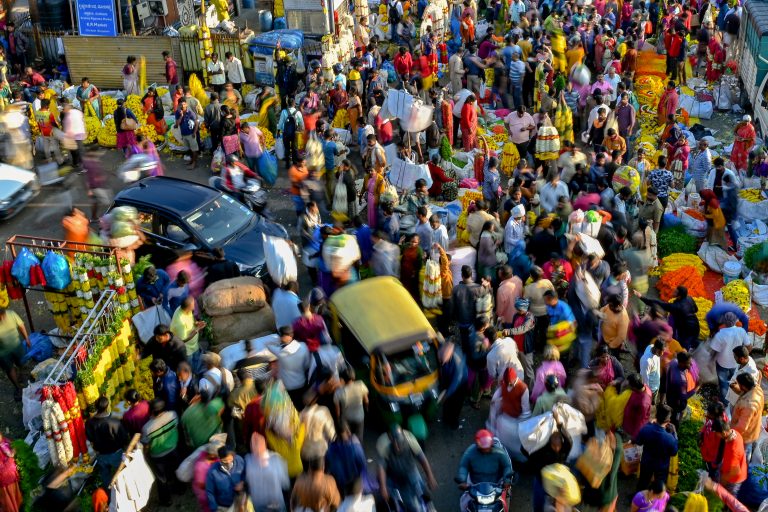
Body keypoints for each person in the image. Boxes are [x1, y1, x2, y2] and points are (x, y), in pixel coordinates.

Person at [377, 425, 438, 511]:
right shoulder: (383, 445)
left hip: (410, 470)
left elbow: (422, 459)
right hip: (393, 474)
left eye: (399, 443)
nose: (397, 447)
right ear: (390, 439)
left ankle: (429, 504)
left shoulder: (410, 441)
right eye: (395, 444)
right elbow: (381, 467)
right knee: (409, 504)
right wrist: (383, 487)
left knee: (422, 489)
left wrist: (430, 476)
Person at [456, 430, 513, 511]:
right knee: (464, 503)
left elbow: (507, 466)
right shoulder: (470, 452)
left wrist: (507, 480)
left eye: (488, 447)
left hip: (496, 484)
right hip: (475, 484)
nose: (486, 450)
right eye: (483, 448)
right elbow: (464, 466)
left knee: (505, 501)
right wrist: (462, 480)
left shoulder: (500, 453)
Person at [141, 398, 179, 506]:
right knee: (176, 469)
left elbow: (146, 443)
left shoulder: (147, 428)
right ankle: (180, 489)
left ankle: (166, 500)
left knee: (161, 479)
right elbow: (176, 426)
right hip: (173, 449)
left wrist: (146, 453)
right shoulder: (173, 415)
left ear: (152, 411)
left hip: (158, 456)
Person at [85, 396, 130, 486]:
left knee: (106, 478)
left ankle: (109, 495)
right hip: (116, 453)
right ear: (107, 406)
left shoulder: (89, 423)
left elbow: (90, 439)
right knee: (122, 475)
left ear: (96, 407)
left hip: (101, 455)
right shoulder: (115, 421)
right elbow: (124, 437)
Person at [638, 286, 699, 350]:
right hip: (696, 325)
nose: (673, 292)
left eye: (675, 292)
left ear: (679, 296)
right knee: (694, 341)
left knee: (683, 347)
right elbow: (696, 310)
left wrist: (641, 297)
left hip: (687, 330)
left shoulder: (676, 307)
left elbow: (658, 303)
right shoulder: (689, 298)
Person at [634, 404, 678, 492]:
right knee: (658, 486)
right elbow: (674, 452)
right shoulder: (670, 438)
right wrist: (674, 434)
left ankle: (638, 499)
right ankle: (654, 502)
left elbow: (638, 441)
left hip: (646, 462)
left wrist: (649, 424)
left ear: (656, 416)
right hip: (661, 467)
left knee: (643, 482)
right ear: (668, 421)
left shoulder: (646, 429)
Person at [245, 433, 289, 512]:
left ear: (265, 444)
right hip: (259, 503)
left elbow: (285, 483)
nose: (256, 447)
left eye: (258, 444)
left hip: (274, 503)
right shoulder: (247, 459)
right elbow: (285, 483)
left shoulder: (276, 459)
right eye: (254, 444)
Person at [730, 373, 763, 462]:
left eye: (739, 384)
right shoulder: (757, 389)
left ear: (743, 386)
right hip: (752, 431)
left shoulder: (748, 405)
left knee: (741, 457)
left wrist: (729, 434)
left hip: (744, 437)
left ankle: (741, 471)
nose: (738, 386)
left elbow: (741, 427)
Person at [0, 307, 30, 401]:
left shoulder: (11, 314)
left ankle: (21, 375)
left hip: (17, 346)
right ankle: (18, 387)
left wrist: (27, 338)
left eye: (2, 316)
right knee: (9, 369)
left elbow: (21, 326)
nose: (1, 319)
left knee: (21, 362)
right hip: (3, 352)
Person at [711, 418, 748, 495]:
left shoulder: (733, 450)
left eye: (716, 433)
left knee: (729, 497)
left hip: (734, 478)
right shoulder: (735, 433)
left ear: (724, 433)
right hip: (731, 469)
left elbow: (734, 472)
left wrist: (722, 481)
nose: (716, 435)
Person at [170, 296, 206, 374]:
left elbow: (191, 318)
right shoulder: (180, 322)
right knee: (190, 365)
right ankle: (193, 376)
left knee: (197, 360)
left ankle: (197, 371)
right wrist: (197, 329)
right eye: (193, 305)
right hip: (187, 350)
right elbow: (183, 340)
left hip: (194, 345)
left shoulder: (185, 309)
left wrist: (197, 323)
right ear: (188, 307)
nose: (194, 307)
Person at [665, 351, 699, 427]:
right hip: (677, 402)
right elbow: (685, 396)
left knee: (670, 410)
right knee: (675, 417)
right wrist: (698, 387)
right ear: (682, 363)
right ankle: (673, 428)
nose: (691, 365)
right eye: (688, 363)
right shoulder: (680, 380)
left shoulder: (674, 361)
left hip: (669, 393)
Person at [206, 446, 245, 512]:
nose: (228, 462)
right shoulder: (212, 472)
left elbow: (244, 473)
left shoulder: (239, 460)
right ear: (219, 458)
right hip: (224, 505)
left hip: (240, 500)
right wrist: (214, 508)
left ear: (234, 456)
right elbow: (209, 492)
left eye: (230, 459)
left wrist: (243, 482)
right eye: (224, 460)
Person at [175, 98, 199, 168]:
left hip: (191, 134)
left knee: (194, 149)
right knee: (189, 149)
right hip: (184, 134)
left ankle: (194, 163)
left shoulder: (190, 113)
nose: (183, 106)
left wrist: (194, 132)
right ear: (178, 105)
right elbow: (177, 124)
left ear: (186, 104)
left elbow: (196, 123)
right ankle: (192, 160)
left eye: (184, 104)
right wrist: (181, 116)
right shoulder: (177, 113)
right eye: (181, 105)